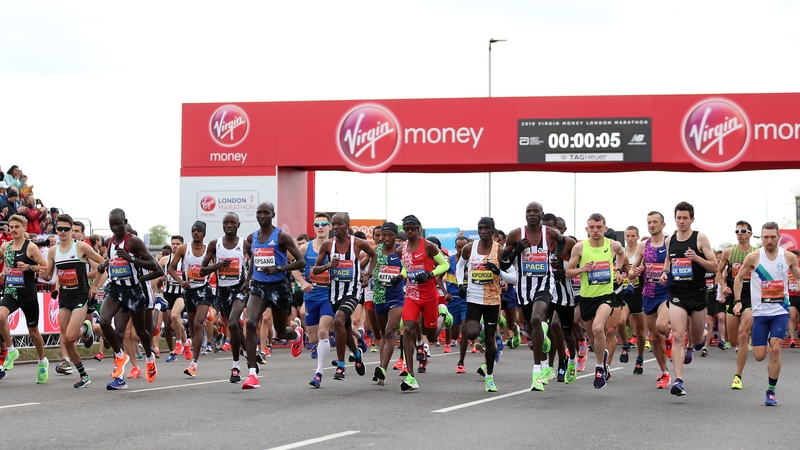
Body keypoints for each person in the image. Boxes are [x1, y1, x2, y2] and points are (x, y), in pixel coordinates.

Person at [499, 202, 566, 390]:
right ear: (525, 215)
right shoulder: (515, 234)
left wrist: (556, 256)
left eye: (536, 211)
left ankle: (536, 370)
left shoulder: (550, 233)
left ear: (541, 214)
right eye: (529, 211)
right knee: (530, 324)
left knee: (537, 319)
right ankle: (544, 360)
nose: (532, 214)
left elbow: (562, 241)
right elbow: (503, 264)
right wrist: (518, 251)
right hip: (523, 287)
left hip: (545, 283)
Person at [733, 222, 800, 405]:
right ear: (761, 238)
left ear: (779, 237)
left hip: (780, 311)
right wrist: (738, 301)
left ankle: (771, 391)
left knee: (776, 349)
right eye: (766, 237)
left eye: (772, 237)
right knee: (760, 355)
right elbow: (738, 278)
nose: (769, 241)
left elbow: (798, 276)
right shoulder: (754, 257)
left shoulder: (788, 257)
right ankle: (762, 348)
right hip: (760, 314)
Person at [241, 202, 307, 389]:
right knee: (251, 322)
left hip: (279, 287)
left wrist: (278, 268)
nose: (262, 216)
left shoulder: (281, 236)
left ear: (272, 214)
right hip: (259, 287)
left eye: (266, 213)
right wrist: (248, 281)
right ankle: (252, 374)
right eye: (259, 213)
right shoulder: (252, 236)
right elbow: (254, 258)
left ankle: (297, 333)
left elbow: (300, 262)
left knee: (281, 330)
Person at [97, 209, 163, 390]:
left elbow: (156, 267)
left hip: (134, 292)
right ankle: (120, 361)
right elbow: (113, 262)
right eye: (112, 224)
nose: (115, 227)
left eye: (118, 223)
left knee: (141, 332)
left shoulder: (133, 241)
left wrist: (132, 258)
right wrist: (104, 265)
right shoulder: (110, 242)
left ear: (125, 222)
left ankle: (149, 358)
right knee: (106, 323)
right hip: (116, 290)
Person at [658, 202, 717, 396]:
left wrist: (697, 258)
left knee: (698, 337)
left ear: (692, 219)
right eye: (678, 218)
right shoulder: (670, 240)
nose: (681, 221)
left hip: (698, 295)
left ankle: (702, 337)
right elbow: (669, 259)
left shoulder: (700, 238)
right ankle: (679, 381)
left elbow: (715, 266)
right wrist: (665, 273)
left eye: (685, 218)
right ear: (674, 219)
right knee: (678, 336)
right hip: (677, 294)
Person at [311, 212, 376, 383]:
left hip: (353, 292)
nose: (336, 227)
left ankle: (340, 365)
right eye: (333, 224)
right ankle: (356, 354)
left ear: (347, 225)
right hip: (334, 293)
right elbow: (315, 271)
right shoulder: (327, 245)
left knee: (339, 321)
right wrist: (327, 265)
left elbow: (373, 255)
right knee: (346, 332)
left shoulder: (358, 243)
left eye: (340, 224)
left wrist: (368, 274)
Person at [566, 213, 629, 389]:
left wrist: (617, 270)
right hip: (586, 297)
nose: (595, 230)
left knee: (597, 328)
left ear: (605, 229)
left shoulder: (613, 245)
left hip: (606, 296)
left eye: (599, 227)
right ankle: (602, 354)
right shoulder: (580, 248)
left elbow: (621, 254)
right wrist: (582, 270)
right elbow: (568, 272)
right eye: (592, 227)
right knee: (594, 338)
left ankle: (600, 366)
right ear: (587, 229)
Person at [41, 214, 105, 388]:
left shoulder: (81, 247)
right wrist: (42, 275)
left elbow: (103, 264)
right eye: (59, 228)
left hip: (80, 297)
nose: (62, 232)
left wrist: (95, 286)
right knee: (67, 341)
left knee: (69, 336)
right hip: (64, 298)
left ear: (71, 230)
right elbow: (49, 276)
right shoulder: (53, 251)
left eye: (66, 229)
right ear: (56, 229)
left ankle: (86, 327)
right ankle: (84, 376)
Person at [456, 217, 517, 392]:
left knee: (490, 341)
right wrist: (461, 284)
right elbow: (460, 267)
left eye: (486, 229)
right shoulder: (470, 248)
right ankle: (480, 325)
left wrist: (499, 272)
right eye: (480, 228)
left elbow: (514, 277)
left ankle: (489, 376)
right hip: (473, 297)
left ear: (492, 231)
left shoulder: (500, 251)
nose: (482, 231)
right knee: (472, 331)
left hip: (492, 300)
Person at [393, 214, 449, 391]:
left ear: (418, 229)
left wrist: (430, 274)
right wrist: (400, 276)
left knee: (431, 336)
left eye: (412, 229)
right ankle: (410, 376)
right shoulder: (402, 249)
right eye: (406, 229)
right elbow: (406, 267)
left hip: (429, 296)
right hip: (411, 295)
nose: (409, 232)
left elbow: (444, 265)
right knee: (407, 327)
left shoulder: (428, 246)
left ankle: (443, 315)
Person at [200, 213, 249, 382]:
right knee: (234, 327)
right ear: (222, 225)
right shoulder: (215, 244)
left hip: (239, 290)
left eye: (232, 223)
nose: (229, 225)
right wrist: (219, 265)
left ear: (238, 225)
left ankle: (235, 367)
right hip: (222, 292)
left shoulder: (244, 244)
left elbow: (255, 264)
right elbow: (202, 270)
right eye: (226, 223)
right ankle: (249, 355)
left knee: (234, 323)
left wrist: (248, 282)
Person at [0, 215, 50, 382]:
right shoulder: (6, 246)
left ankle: (42, 362)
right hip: (11, 291)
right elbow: (7, 261)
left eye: (17, 227)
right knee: (0, 317)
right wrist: (4, 271)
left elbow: (45, 266)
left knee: (34, 332)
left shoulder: (31, 247)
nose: (13, 229)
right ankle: (11, 349)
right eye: (11, 227)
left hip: (27, 294)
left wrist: (29, 267)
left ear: (24, 228)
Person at [169, 221, 214, 378]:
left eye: (199, 231)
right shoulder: (183, 249)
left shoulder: (209, 249)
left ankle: (194, 363)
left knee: (198, 323)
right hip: (189, 291)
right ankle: (196, 344)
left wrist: (208, 274)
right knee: (193, 329)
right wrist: (181, 282)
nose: (196, 233)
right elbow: (171, 268)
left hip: (204, 290)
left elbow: (216, 267)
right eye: (193, 230)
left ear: (203, 233)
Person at [716, 221, 757, 390]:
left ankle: (738, 376)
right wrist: (723, 286)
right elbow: (718, 271)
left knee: (743, 335)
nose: (740, 233)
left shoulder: (756, 253)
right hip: (733, 295)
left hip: (750, 297)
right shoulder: (729, 252)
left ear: (750, 233)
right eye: (737, 231)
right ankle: (739, 349)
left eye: (743, 231)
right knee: (733, 340)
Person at [295, 213, 333, 388]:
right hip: (310, 298)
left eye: (324, 224)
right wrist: (302, 282)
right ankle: (299, 334)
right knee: (314, 340)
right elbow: (294, 269)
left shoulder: (335, 248)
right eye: (317, 224)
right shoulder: (305, 248)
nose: (320, 227)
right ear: (313, 227)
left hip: (328, 297)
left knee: (323, 332)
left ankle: (318, 374)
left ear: (330, 227)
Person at [371, 222, 406, 386]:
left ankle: (383, 369)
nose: (385, 238)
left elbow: (408, 268)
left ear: (395, 236)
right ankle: (380, 371)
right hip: (378, 297)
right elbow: (363, 265)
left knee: (390, 331)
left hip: (396, 297)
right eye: (382, 235)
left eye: (389, 235)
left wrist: (402, 276)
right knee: (383, 335)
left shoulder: (400, 252)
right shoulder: (375, 251)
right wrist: (364, 276)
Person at [619, 226, 646, 375]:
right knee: (621, 321)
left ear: (637, 237)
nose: (630, 239)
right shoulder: (621, 253)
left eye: (632, 236)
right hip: (623, 292)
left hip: (637, 293)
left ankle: (640, 359)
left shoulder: (640, 253)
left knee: (641, 332)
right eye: (627, 236)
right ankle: (625, 345)